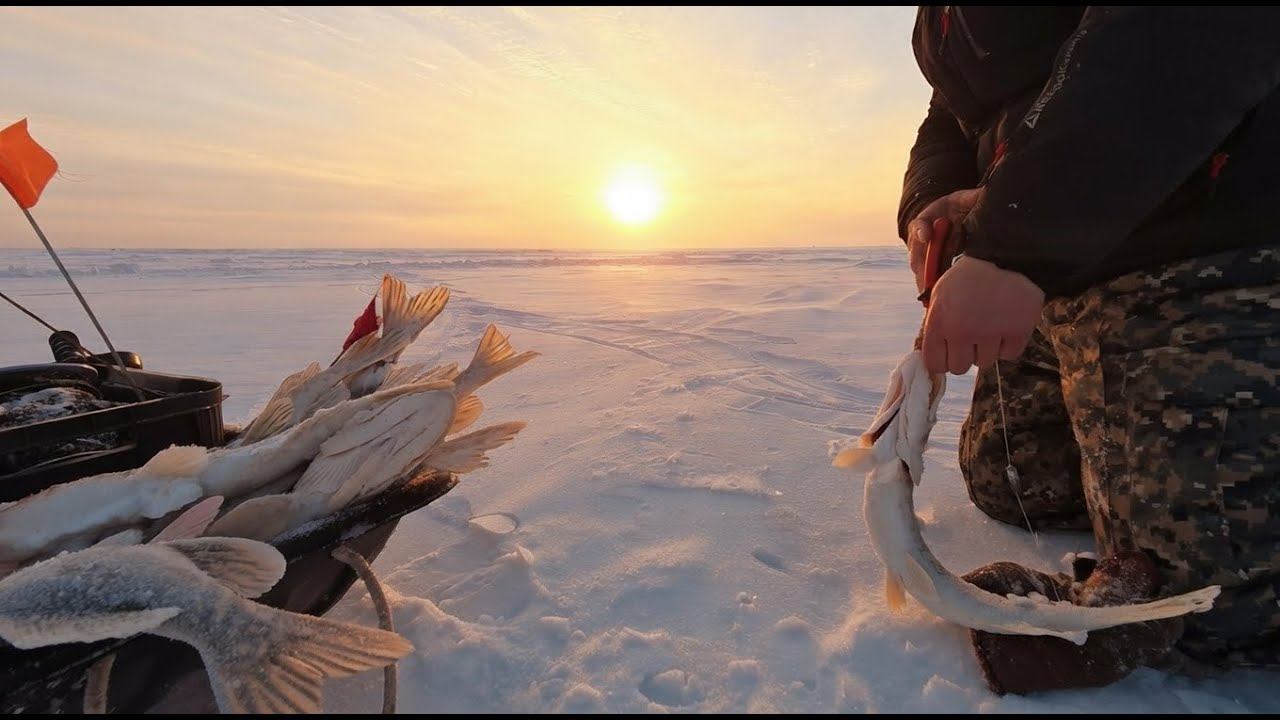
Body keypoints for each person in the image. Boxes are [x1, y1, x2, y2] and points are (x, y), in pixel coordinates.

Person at [899, 6, 1280, 694]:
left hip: (1215, 239)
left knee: (1212, 607)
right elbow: (951, 111)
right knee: (1013, 478)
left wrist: (1018, 239)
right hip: (1073, 267)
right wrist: (933, 203)